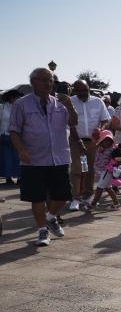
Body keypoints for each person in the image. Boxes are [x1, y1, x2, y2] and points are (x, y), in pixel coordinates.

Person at [9, 68, 80, 246]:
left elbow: (73, 122)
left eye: (51, 81)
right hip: (33, 159)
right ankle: (42, 231)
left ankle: (50, 217)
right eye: (43, 80)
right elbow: (14, 131)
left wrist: (70, 105)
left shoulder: (60, 104)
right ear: (33, 82)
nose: (48, 84)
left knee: (63, 195)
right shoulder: (22, 104)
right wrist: (21, 150)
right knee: (37, 197)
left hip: (59, 157)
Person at [67, 80, 112, 210]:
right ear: (75, 90)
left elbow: (105, 119)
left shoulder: (98, 101)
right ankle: (75, 198)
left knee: (90, 170)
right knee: (76, 170)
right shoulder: (70, 102)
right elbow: (68, 123)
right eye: (79, 91)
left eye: (85, 90)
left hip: (93, 141)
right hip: (75, 140)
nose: (83, 93)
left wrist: (100, 128)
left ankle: (88, 196)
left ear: (89, 89)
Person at [87, 130, 121, 211]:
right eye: (105, 140)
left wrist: (119, 158)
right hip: (102, 171)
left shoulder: (114, 149)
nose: (107, 142)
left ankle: (93, 204)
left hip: (107, 171)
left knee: (99, 188)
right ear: (101, 141)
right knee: (108, 188)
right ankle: (116, 203)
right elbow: (95, 143)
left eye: (109, 140)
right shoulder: (100, 148)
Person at [0, 90, 24, 185]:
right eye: (17, 97)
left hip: (18, 136)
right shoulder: (2, 108)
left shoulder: (20, 108)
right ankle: (8, 178)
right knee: (6, 158)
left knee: (19, 158)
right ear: (11, 98)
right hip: (5, 135)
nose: (19, 99)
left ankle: (20, 178)